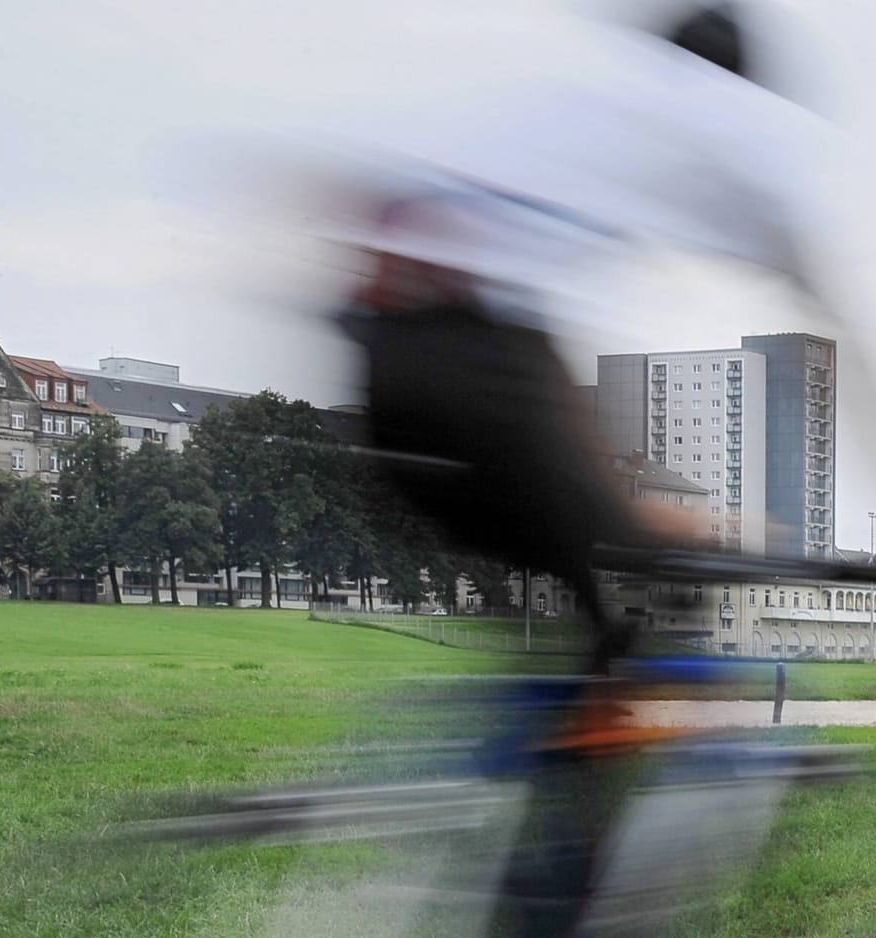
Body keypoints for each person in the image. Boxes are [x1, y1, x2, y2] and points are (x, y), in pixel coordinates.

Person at [328, 2, 845, 663]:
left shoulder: (563, 105)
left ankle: (555, 730)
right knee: (616, 586)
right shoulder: (728, 129)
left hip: (384, 370)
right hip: (478, 360)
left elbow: (519, 344)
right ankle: (598, 719)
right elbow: (517, 367)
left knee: (575, 578)